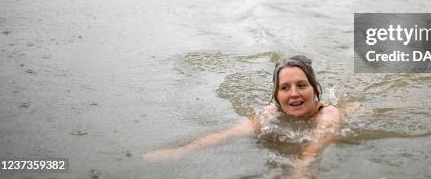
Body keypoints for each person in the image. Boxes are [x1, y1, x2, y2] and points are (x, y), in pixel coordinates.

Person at [142, 55, 344, 167]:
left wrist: (298, 173)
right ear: (276, 96)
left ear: (314, 90)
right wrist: (178, 151)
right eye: (285, 88)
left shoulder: (328, 115)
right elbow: (227, 134)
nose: (293, 94)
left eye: (301, 85)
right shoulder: (269, 114)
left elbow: (312, 152)